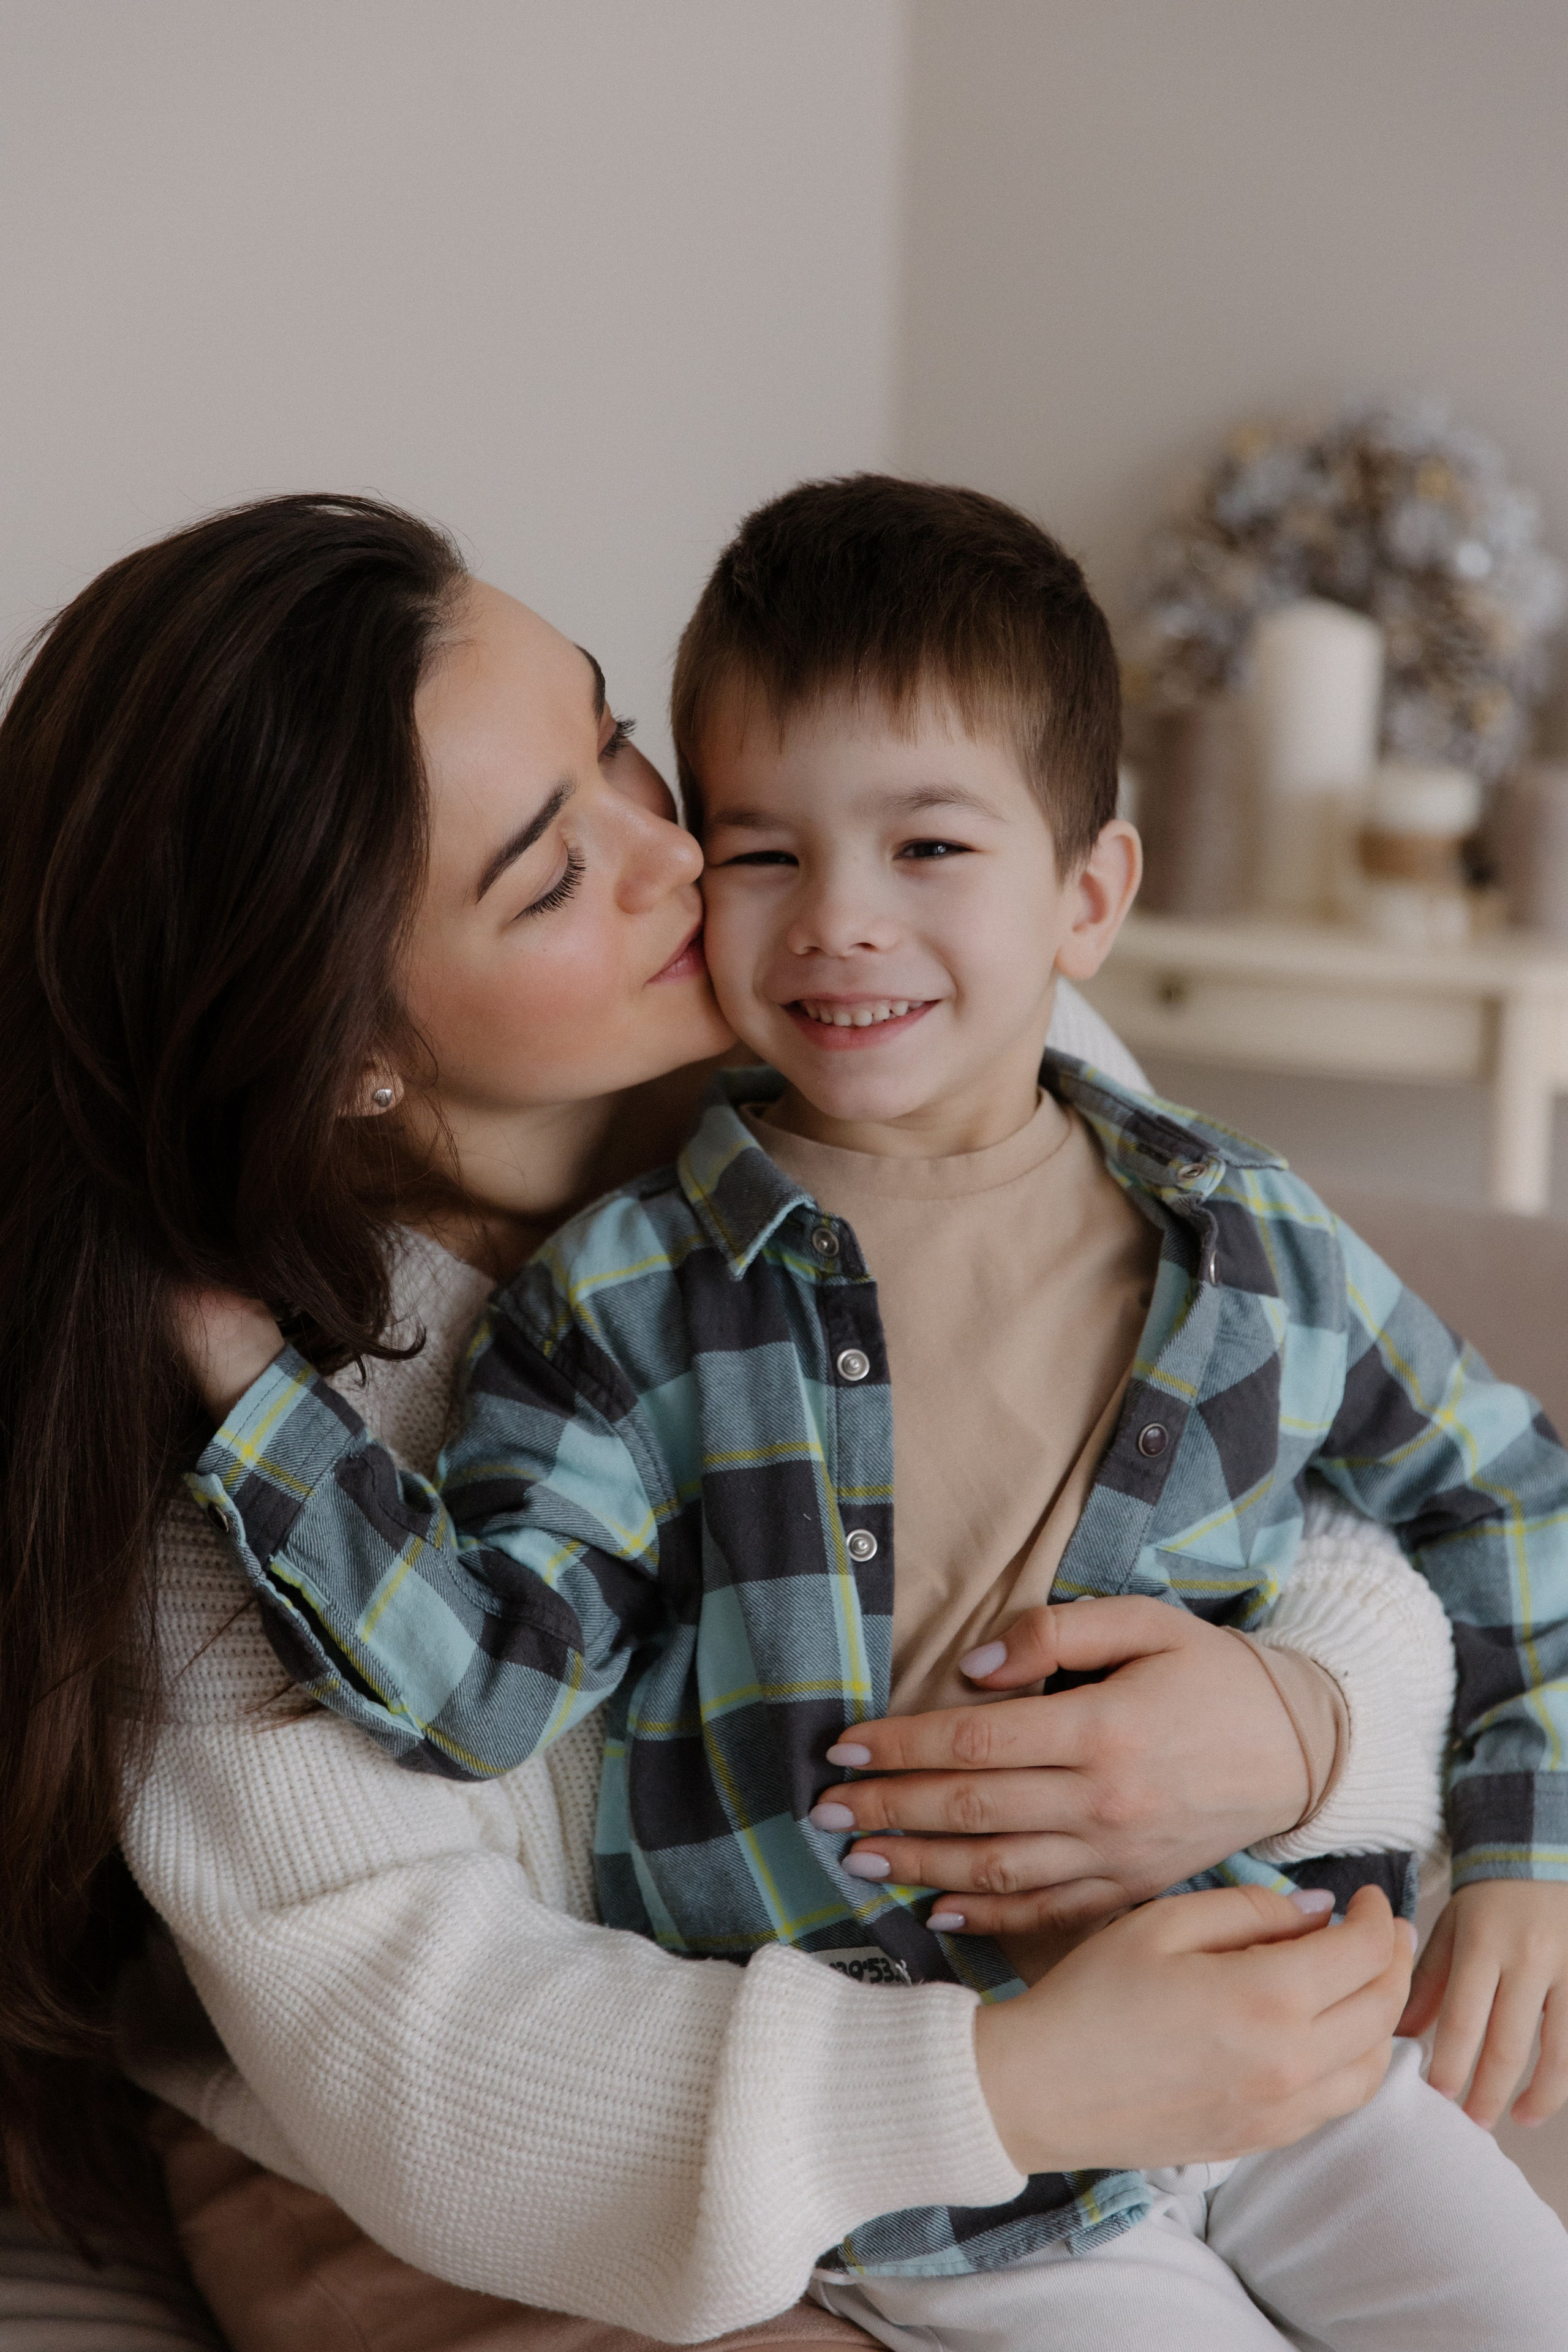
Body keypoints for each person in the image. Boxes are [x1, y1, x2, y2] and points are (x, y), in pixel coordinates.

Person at [3, 492, 1436, 2352]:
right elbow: (438, 2069)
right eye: (549, 872)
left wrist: (1298, 1725)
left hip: (1044, 2026)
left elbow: (1344, 1477)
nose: (685, 859)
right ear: (346, 1047)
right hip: (457, 2188)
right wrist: (1015, 2086)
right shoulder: (265, 1483)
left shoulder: (920, 1018)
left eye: (610, 742)